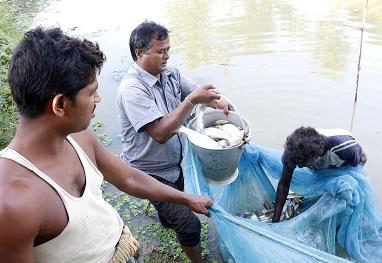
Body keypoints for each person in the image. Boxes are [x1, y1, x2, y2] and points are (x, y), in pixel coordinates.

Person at [0, 26, 213, 263]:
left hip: (123, 249)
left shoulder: (79, 139)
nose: (99, 99)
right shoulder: (11, 205)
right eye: (92, 93)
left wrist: (187, 199)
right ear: (59, 105)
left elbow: (129, 178)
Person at [116, 20, 232, 263]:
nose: (167, 56)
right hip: (147, 172)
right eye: (160, 51)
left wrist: (217, 101)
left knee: (173, 207)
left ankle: (167, 220)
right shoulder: (132, 89)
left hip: (172, 165)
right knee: (189, 224)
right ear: (140, 53)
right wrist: (191, 100)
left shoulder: (169, 74)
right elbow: (159, 133)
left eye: (168, 49)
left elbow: (197, 92)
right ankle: (198, 261)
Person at [272, 126, 368, 223]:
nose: (300, 167)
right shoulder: (292, 152)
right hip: (319, 160)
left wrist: (343, 185)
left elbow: (361, 161)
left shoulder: (346, 148)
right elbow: (284, 182)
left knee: (343, 191)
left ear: (318, 157)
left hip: (340, 164)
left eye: (303, 164)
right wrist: (275, 220)